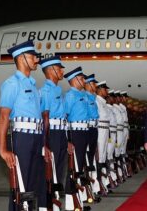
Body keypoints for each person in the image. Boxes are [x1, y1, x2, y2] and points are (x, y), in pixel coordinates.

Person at [0, 40, 45, 211]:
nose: (37, 60)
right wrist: (3, 149)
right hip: (23, 138)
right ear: (22, 58)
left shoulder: (32, 85)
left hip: (37, 138)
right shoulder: (12, 84)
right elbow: (3, 117)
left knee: (32, 184)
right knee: (20, 185)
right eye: (33, 56)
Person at [39, 56, 68, 207]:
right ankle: (48, 203)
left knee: (59, 168)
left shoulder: (57, 89)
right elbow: (45, 117)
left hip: (61, 132)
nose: (62, 71)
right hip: (52, 134)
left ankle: (54, 201)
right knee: (51, 170)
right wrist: (45, 143)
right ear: (50, 70)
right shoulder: (46, 91)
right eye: (59, 68)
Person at [63, 66, 91, 210]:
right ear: (73, 80)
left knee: (79, 167)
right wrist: (68, 139)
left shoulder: (83, 95)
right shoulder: (70, 96)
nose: (83, 81)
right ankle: (70, 204)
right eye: (81, 78)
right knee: (72, 169)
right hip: (75, 133)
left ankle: (78, 201)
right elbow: (65, 117)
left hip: (84, 132)